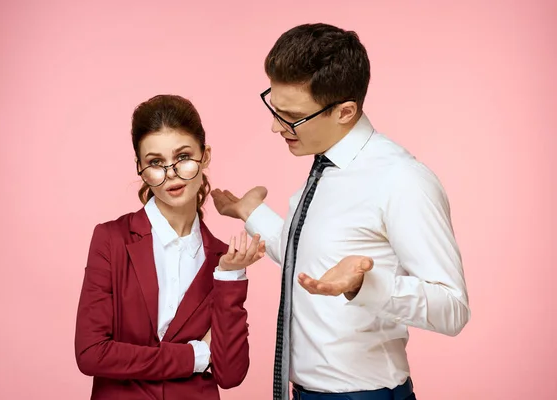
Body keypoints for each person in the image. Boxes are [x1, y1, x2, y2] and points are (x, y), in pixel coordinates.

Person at [211, 23, 470, 400]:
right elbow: (314, 264)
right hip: (304, 392)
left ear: (345, 111)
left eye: (291, 116)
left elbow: (453, 308)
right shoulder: (323, 172)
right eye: (274, 107)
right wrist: (252, 213)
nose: (274, 126)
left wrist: (365, 285)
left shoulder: (401, 179)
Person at [74, 94, 265, 400]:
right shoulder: (111, 240)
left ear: (205, 155)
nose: (171, 173)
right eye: (155, 163)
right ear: (140, 167)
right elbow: (91, 353)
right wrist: (196, 356)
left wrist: (230, 277)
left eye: (183, 156)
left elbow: (230, 375)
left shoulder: (220, 258)